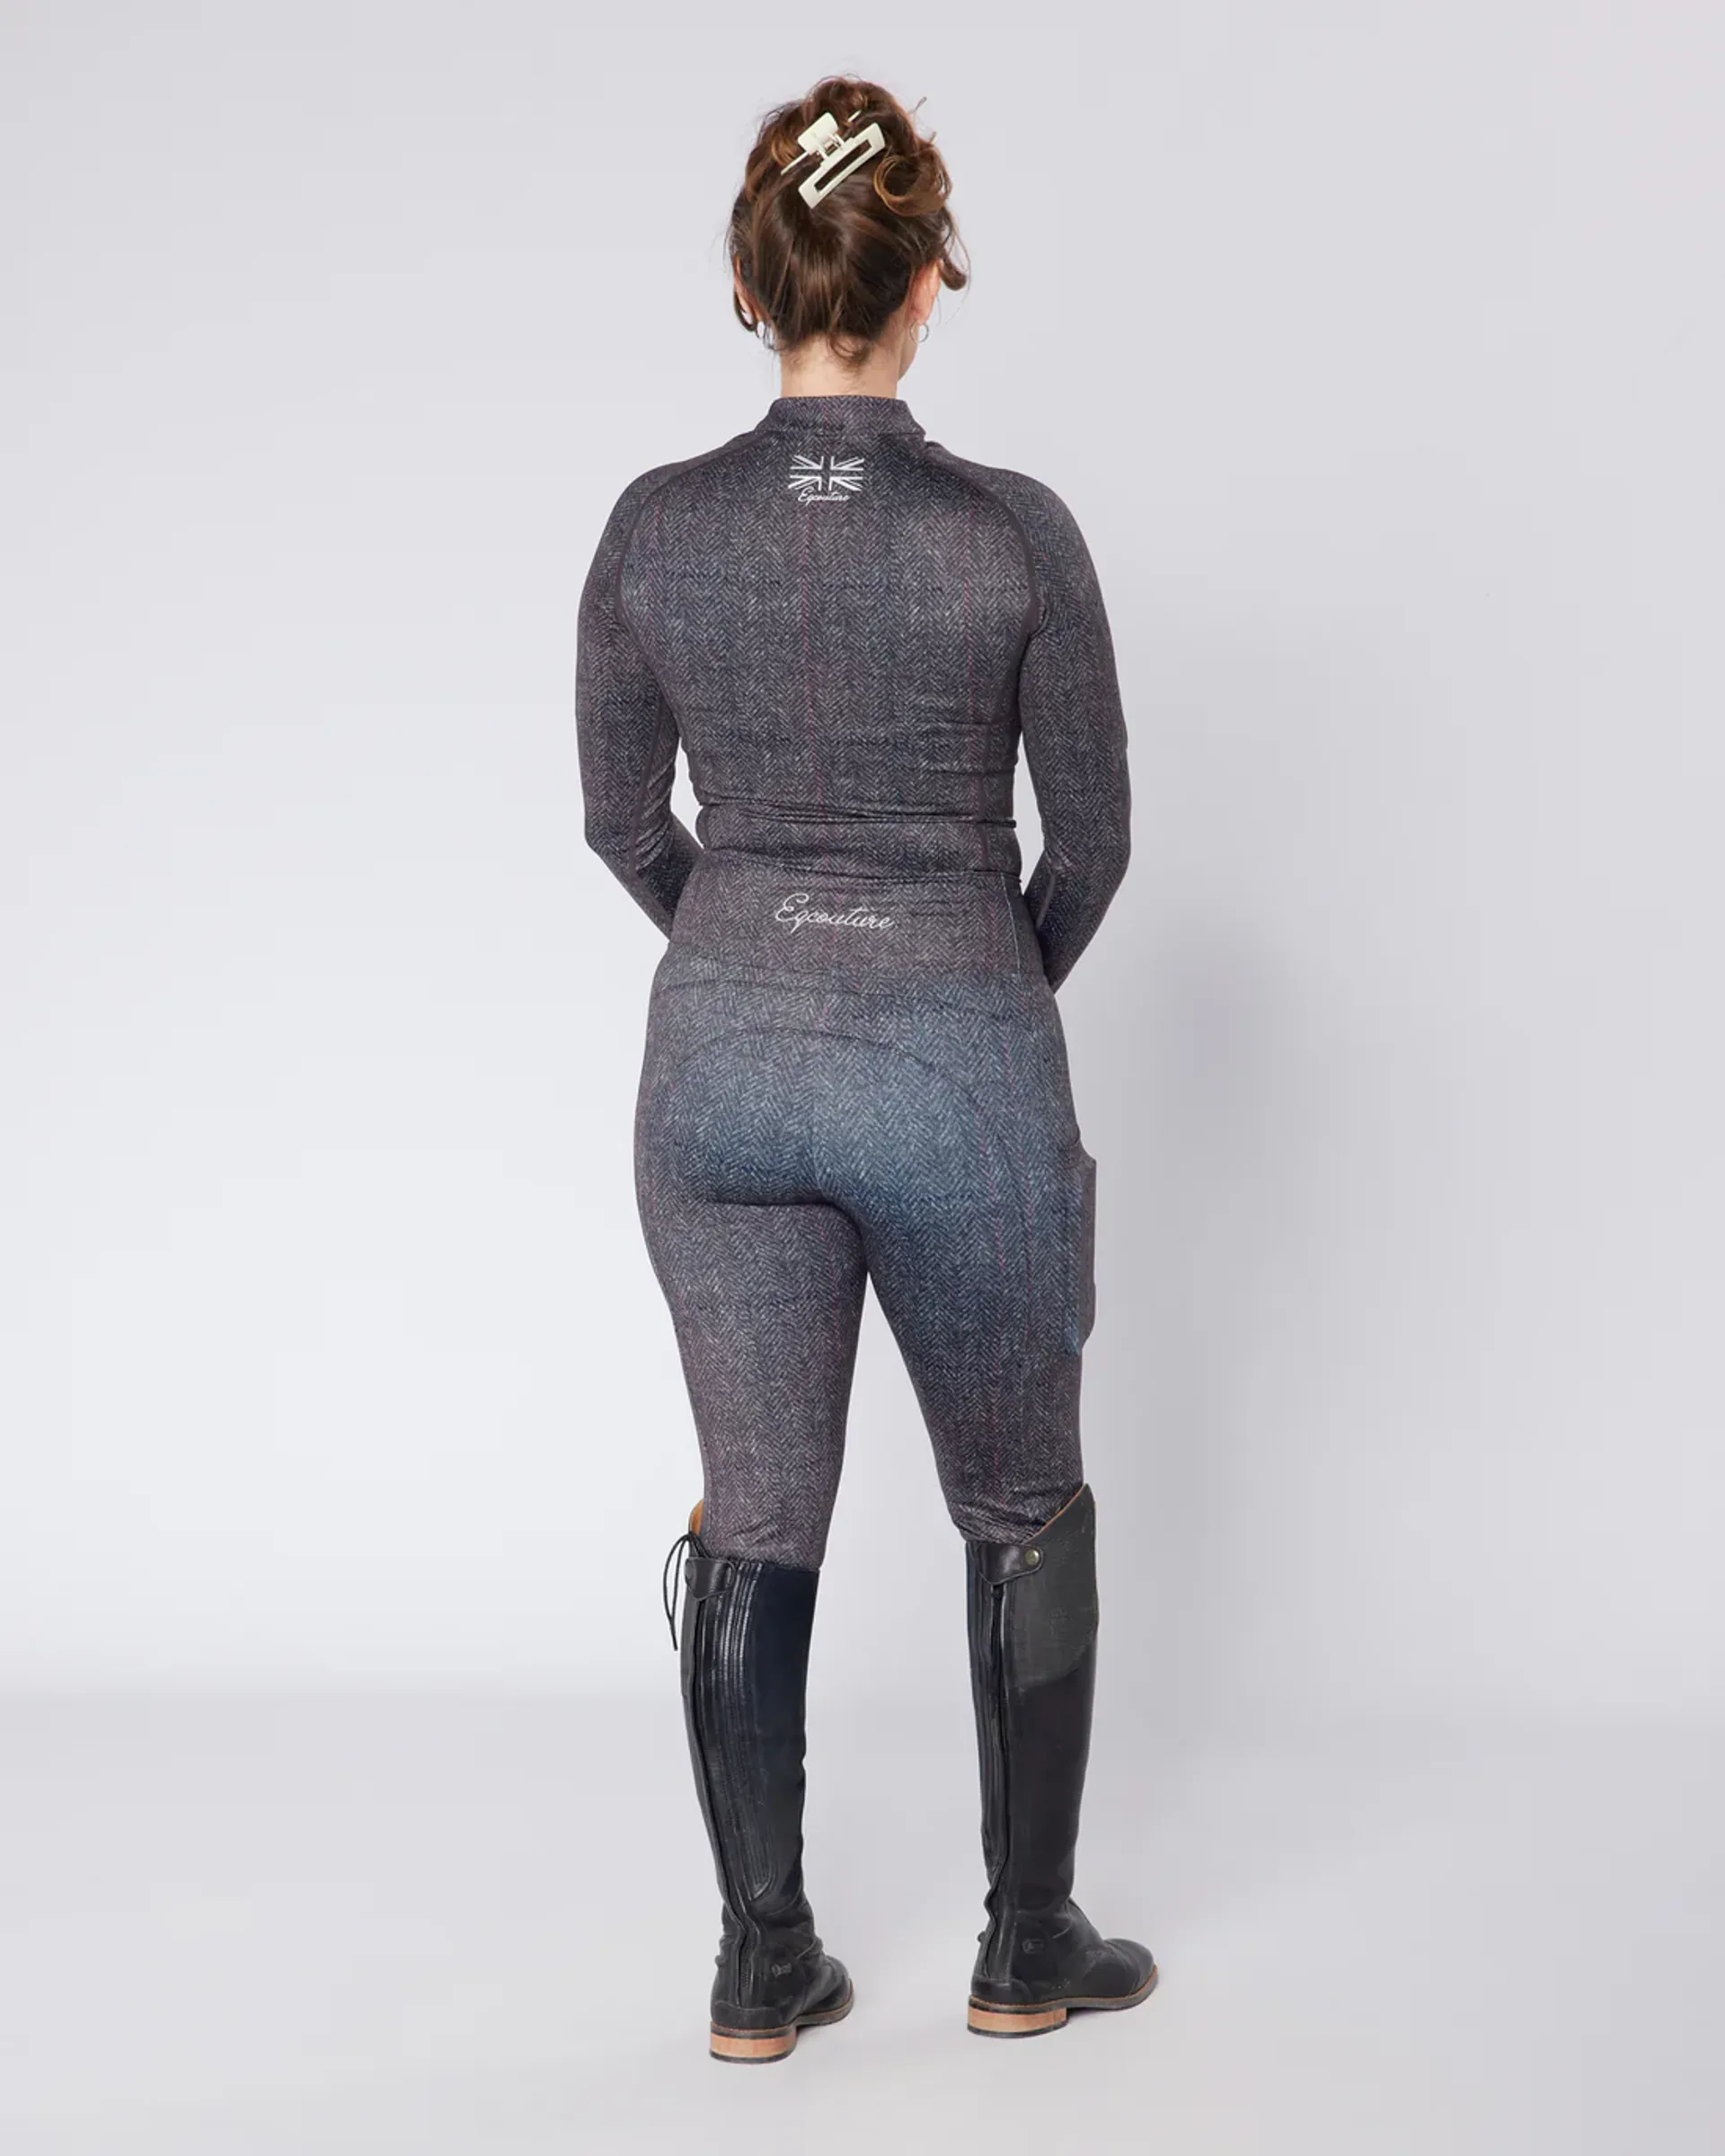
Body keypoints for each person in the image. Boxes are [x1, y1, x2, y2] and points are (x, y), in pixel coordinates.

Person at [574, 75, 1154, 2063]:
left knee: (753, 1514)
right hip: (959, 1062)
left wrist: (754, 961)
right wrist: (967, 992)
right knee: (1022, 1499)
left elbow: (621, 823)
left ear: (757, 290)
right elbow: (1093, 849)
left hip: (714, 1079)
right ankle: (1028, 1944)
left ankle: (761, 1963)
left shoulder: (653, 530)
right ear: (922, 285)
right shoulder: (1012, 534)